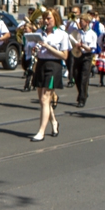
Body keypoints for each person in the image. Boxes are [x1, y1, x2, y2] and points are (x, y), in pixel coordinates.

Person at [30, 10, 71, 141]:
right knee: (43, 101)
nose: (46, 21)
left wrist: (47, 46)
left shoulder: (62, 35)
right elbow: (33, 48)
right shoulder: (39, 32)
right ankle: (54, 121)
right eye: (44, 19)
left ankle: (41, 132)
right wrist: (34, 49)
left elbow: (64, 55)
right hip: (41, 64)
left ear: (55, 19)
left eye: (49, 18)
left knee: (45, 98)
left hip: (54, 65)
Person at [71, 14, 98, 107]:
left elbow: (91, 49)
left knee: (84, 78)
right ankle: (83, 92)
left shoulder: (92, 34)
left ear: (87, 22)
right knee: (76, 75)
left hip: (87, 56)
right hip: (78, 55)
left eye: (81, 21)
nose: (80, 23)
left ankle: (82, 99)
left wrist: (82, 45)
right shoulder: (77, 32)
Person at [64, 6, 81, 88]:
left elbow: (81, 30)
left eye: (75, 12)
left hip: (76, 44)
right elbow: (65, 30)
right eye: (72, 12)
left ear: (79, 13)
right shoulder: (68, 21)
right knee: (68, 62)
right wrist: (68, 23)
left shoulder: (80, 21)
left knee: (72, 62)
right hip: (69, 43)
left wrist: (76, 22)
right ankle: (72, 76)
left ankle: (71, 79)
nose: (73, 14)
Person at [20, 20, 38, 92]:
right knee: (29, 70)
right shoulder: (24, 36)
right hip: (26, 54)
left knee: (29, 70)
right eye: (24, 28)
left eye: (26, 28)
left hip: (32, 55)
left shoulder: (33, 36)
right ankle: (34, 84)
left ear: (30, 29)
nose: (25, 29)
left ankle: (27, 86)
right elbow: (24, 45)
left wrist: (34, 49)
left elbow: (36, 44)